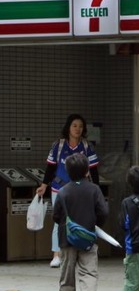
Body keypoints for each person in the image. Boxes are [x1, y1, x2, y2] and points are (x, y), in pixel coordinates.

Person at [52, 153, 109, 291]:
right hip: (88, 239)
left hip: (67, 240)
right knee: (89, 272)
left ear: (68, 172)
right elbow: (103, 212)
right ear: (87, 171)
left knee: (67, 275)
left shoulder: (63, 192)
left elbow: (56, 216)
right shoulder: (94, 189)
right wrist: (93, 224)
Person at [36, 114, 100, 268]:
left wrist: (96, 188)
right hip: (59, 189)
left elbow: (94, 169)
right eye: (74, 125)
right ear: (68, 127)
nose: (78, 129)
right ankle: (56, 255)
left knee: (80, 220)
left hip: (80, 189)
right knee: (59, 221)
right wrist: (44, 185)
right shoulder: (58, 146)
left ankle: (79, 251)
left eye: (80, 126)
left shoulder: (86, 147)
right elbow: (51, 167)